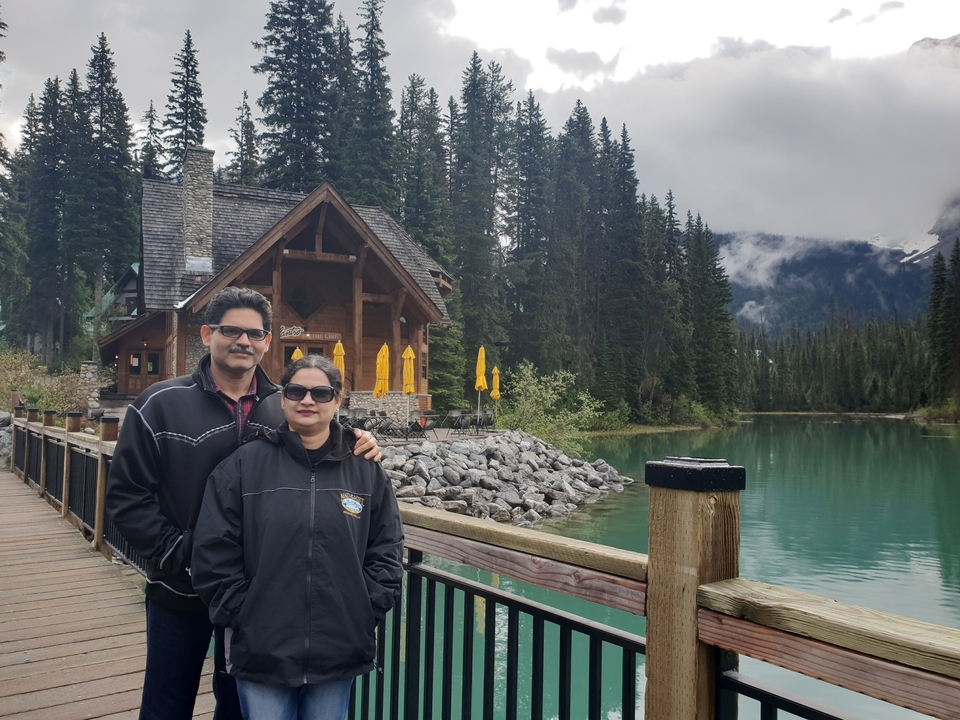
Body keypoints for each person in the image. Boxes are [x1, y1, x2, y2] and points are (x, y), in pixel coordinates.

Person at [106, 288, 383, 720]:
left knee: (238, 708)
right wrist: (184, 555)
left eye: (254, 333)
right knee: (166, 703)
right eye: (231, 330)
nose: (243, 341)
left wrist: (360, 440)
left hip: (258, 602)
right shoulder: (159, 404)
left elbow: (325, 442)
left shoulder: (285, 402)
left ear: (268, 341)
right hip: (179, 591)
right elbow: (126, 498)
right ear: (206, 334)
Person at [191, 354, 404, 720]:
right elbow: (212, 549)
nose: (308, 401)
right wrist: (242, 613)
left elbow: (387, 549)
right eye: (297, 391)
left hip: (339, 646)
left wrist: (364, 608)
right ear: (283, 398)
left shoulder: (366, 471)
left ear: (338, 400)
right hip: (262, 646)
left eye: (321, 393)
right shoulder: (244, 465)